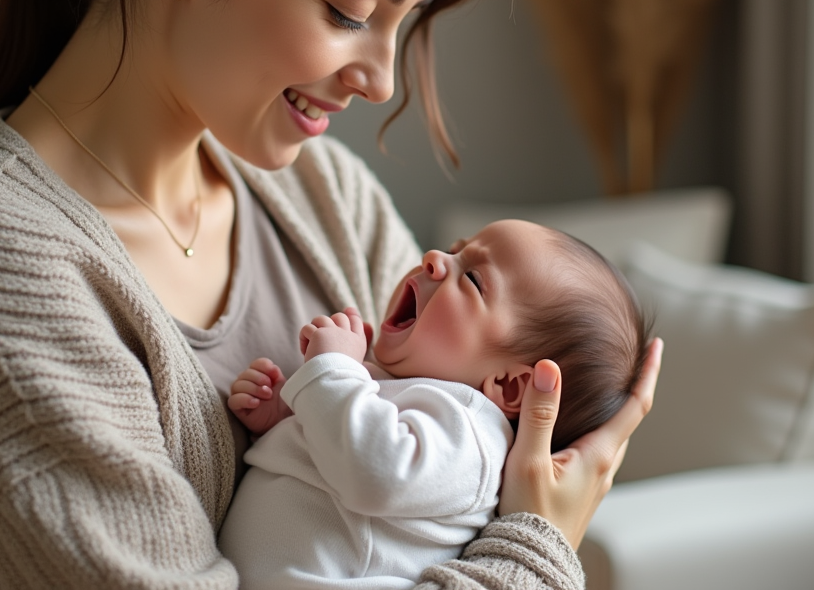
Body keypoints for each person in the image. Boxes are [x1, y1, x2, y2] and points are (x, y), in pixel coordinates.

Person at [0, 0, 663, 588]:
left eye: (403, 22)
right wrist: (537, 548)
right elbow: (494, 531)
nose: (381, 80)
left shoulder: (324, 194)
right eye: (349, 12)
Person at [220, 220, 650, 589]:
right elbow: (331, 458)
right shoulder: (389, 388)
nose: (433, 257)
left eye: (473, 279)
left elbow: (378, 472)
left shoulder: (474, 436)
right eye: (457, 249)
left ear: (510, 385)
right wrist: (282, 414)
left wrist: (331, 371)